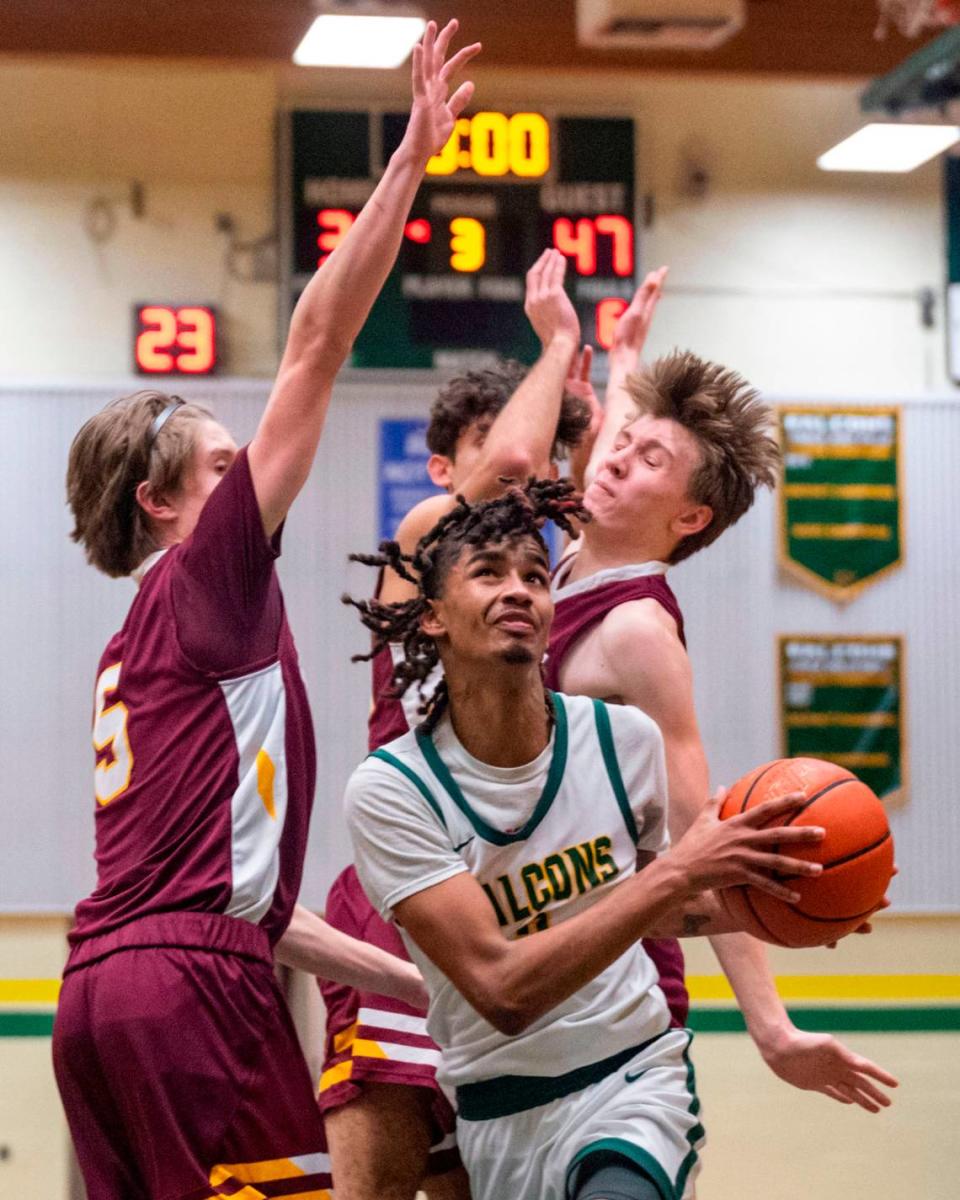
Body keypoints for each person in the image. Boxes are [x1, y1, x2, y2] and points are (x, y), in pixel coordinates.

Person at [51, 20, 479, 1200]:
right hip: (193, 1003)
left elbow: (254, 909)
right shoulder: (209, 580)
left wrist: (434, 986)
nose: (253, 482)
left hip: (100, 993)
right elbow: (317, 342)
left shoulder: (136, 648)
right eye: (225, 467)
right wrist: (410, 162)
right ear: (164, 503)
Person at [341, 481, 832, 1200]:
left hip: (633, 1080)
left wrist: (791, 903)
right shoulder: (392, 792)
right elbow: (503, 989)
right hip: (498, 1112)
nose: (519, 591)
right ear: (434, 618)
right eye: (489, 573)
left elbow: (657, 914)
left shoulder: (621, 740)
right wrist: (679, 873)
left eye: (535, 577)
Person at [545, 270, 898, 1110]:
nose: (618, 457)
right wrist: (625, 354)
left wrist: (771, 1027)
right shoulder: (559, 555)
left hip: (619, 975)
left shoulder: (635, 633)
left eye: (648, 459)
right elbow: (609, 434)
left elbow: (704, 837)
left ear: (690, 518)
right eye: (624, 442)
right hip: (537, 938)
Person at [318, 248, 591, 1200]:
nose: (530, 468)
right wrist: (558, 339)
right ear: (443, 466)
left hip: (507, 896)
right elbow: (519, 462)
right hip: (409, 894)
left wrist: (606, 387)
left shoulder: (530, 587)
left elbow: (586, 500)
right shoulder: (427, 530)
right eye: (504, 442)